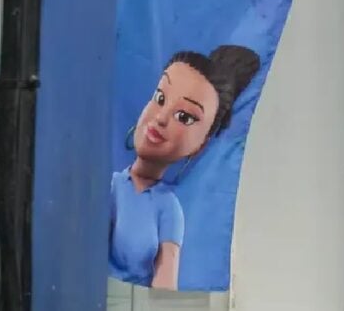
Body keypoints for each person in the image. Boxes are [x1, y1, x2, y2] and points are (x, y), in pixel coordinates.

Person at [110, 45, 261, 289]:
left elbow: (164, 286)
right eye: (160, 98)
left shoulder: (167, 208)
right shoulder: (110, 185)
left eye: (184, 117)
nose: (161, 118)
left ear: (201, 144)